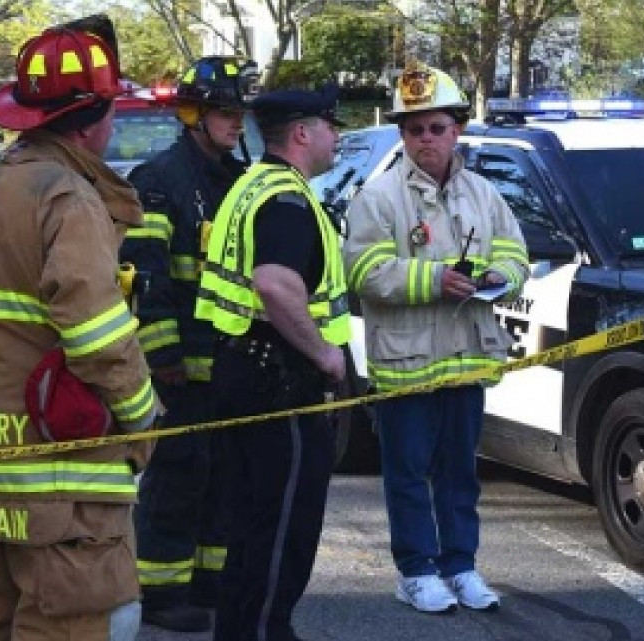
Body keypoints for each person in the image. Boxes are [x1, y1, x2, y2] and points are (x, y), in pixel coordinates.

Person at [0, 15, 162, 641]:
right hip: (68, 489)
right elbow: (95, 331)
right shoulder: (69, 198)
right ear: (94, 118)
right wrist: (141, 418)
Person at [342, 60, 529, 614]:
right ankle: (416, 570)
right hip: (408, 361)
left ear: (457, 130)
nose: (426, 138)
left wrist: (501, 277)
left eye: (436, 127)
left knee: (460, 475)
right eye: (414, 128)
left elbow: (515, 251)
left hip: (467, 356)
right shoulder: (377, 198)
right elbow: (364, 272)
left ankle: (461, 565)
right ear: (402, 135)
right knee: (406, 476)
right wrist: (433, 279)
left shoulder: (484, 193)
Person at [193, 84, 349, 641]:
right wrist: (327, 354)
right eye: (331, 125)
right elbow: (275, 284)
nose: (339, 135)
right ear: (303, 133)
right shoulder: (285, 199)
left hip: (244, 371)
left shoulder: (250, 184)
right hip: (280, 383)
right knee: (284, 530)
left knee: (252, 527)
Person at [122, 55, 258, 633]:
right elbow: (145, 273)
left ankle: (209, 582)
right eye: (225, 112)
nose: (236, 122)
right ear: (193, 115)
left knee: (223, 477)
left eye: (238, 112)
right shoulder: (158, 182)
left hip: (226, 366)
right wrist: (164, 357)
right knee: (176, 476)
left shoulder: (233, 180)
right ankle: (159, 592)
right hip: (180, 368)